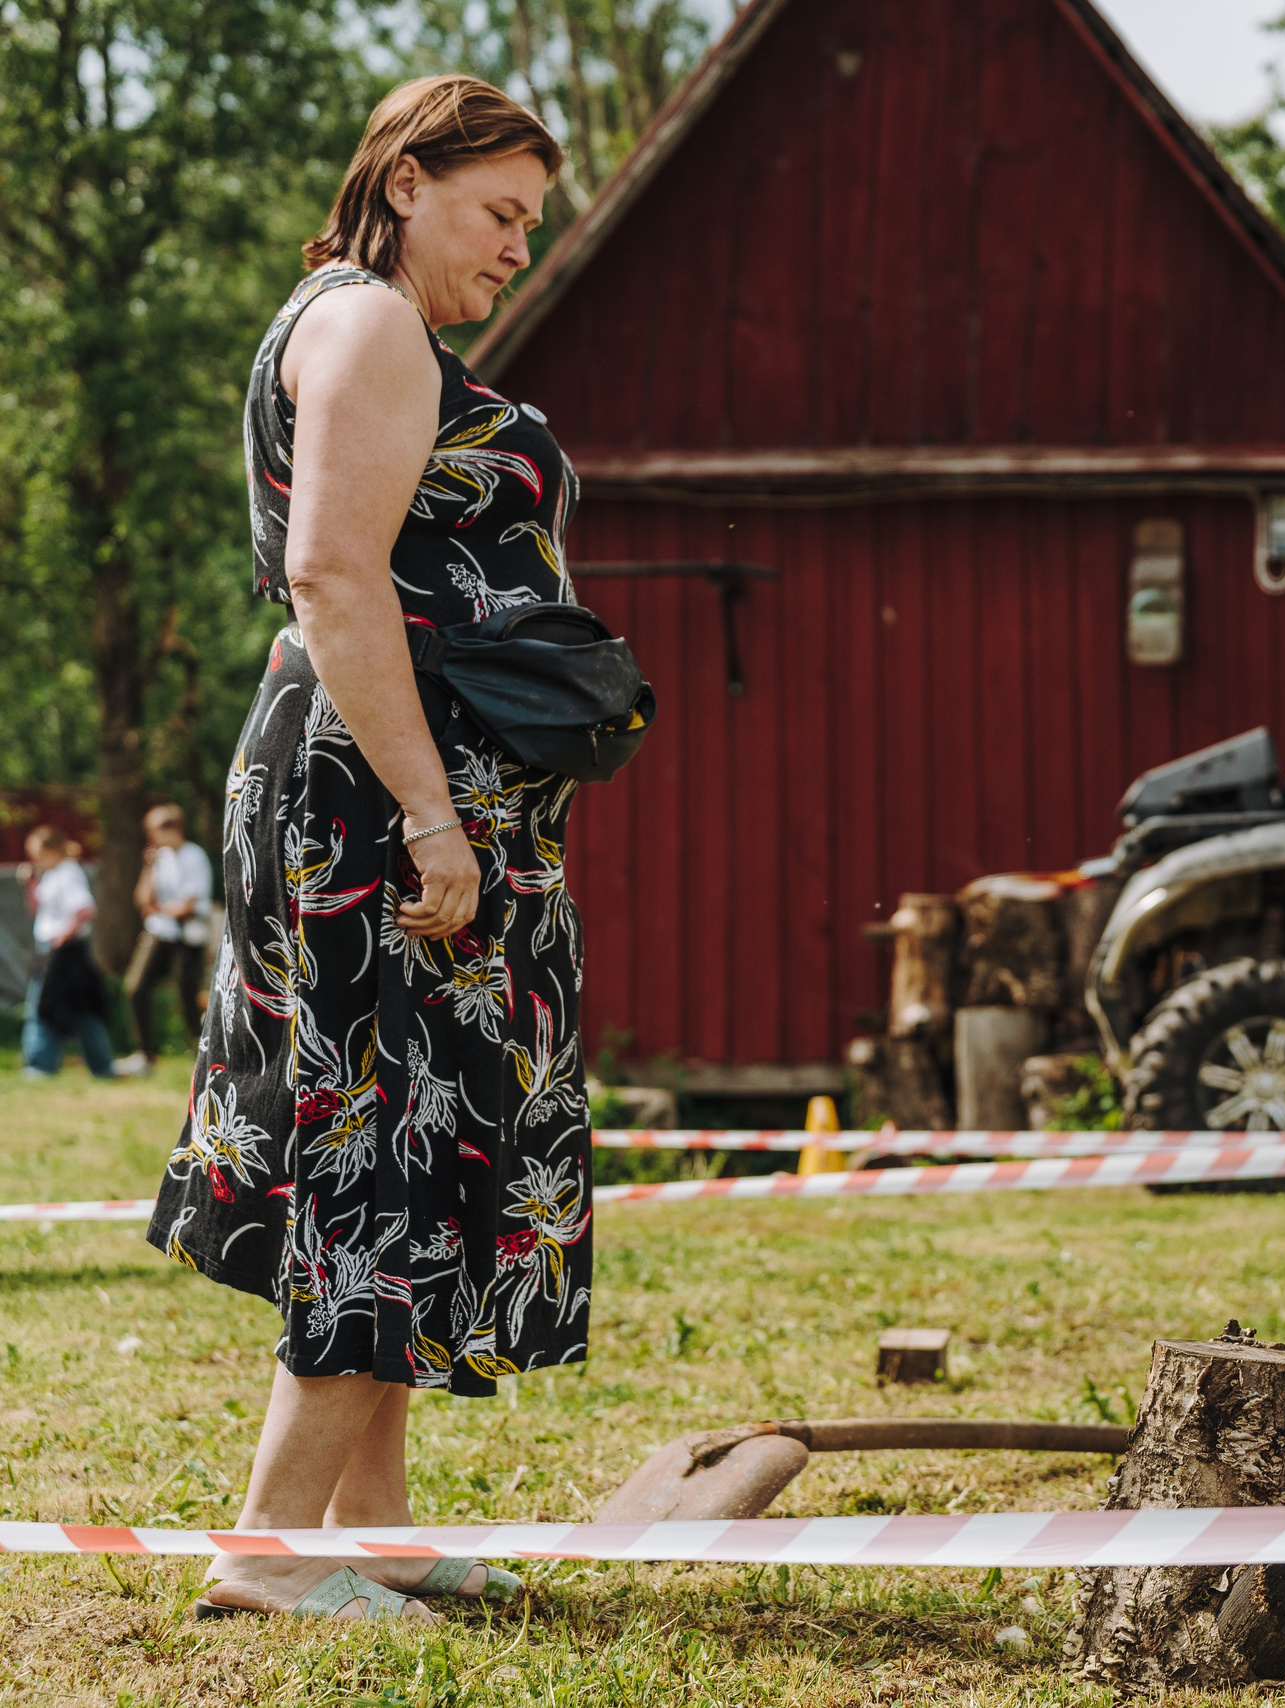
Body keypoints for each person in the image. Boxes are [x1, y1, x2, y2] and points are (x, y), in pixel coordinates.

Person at [145, 75, 589, 1624]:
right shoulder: (368, 326)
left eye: (532, 221)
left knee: (427, 1128)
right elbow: (334, 578)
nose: (518, 245)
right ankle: (268, 1552)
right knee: (378, 1137)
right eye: (498, 210)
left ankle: (374, 1526)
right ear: (404, 180)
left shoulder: (361, 326)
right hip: (373, 803)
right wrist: (430, 813)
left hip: (388, 790)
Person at [18, 826, 121, 1079]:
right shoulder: (50, 874)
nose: (34, 859)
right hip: (56, 949)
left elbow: (84, 910)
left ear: (52, 850)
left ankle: (39, 1066)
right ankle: (102, 1066)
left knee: (42, 1007)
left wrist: (61, 939)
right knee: (83, 1009)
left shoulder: (68, 872)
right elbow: (38, 909)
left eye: (37, 853)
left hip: (63, 950)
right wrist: (30, 882)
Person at [122, 803, 214, 1071]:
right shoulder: (160, 858)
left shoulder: (193, 856)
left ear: (173, 828)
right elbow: (142, 899)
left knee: (188, 993)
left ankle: (203, 1052)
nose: (152, 836)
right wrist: (149, 867)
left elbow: (188, 905)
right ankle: (145, 1053)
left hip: (187, 935)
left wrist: (159, 908)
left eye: (155, 830)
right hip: (161, 932)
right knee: (136, 986)